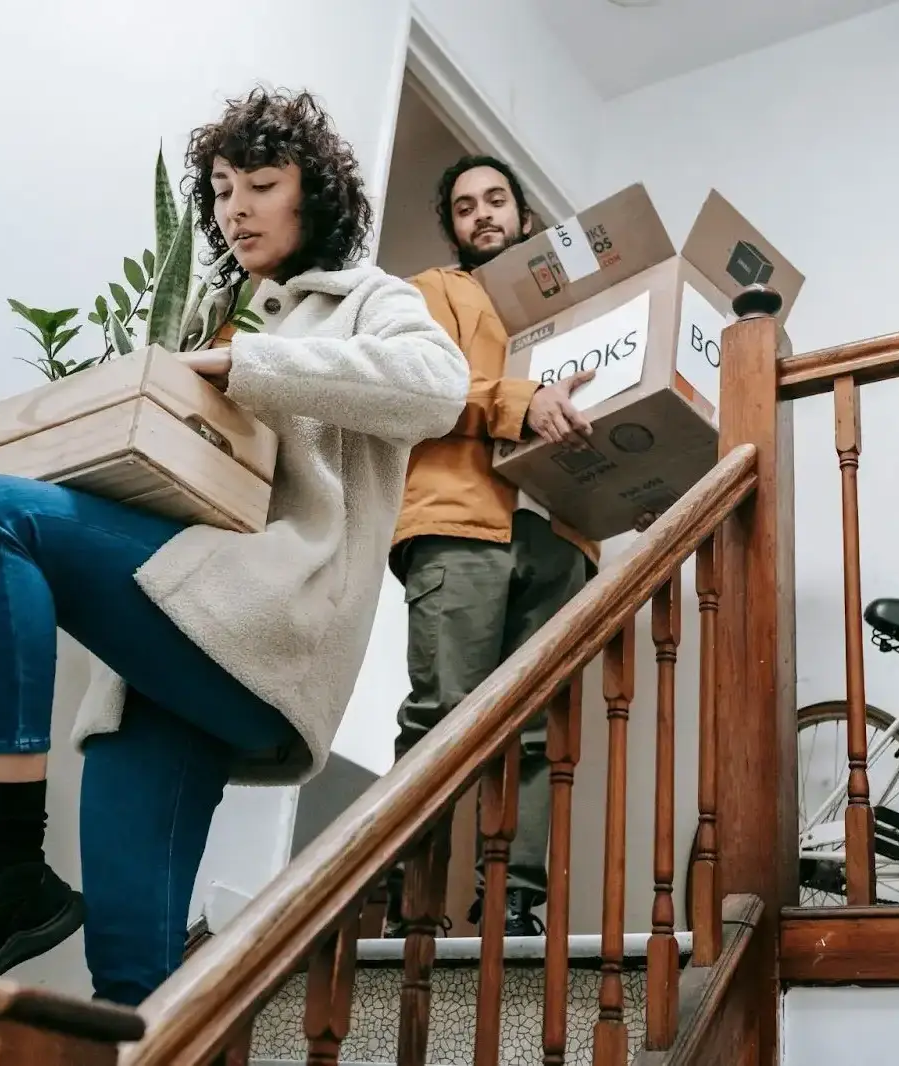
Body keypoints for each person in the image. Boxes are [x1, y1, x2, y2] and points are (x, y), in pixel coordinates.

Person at [0, 88, 469, 1005]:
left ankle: (2, 858)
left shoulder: (366, 299)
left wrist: (247, 364)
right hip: (162, 654)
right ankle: (27, 898)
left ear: (313, 195)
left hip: (262, 626)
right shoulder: (208, 314)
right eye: (223, 189)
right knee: (131, 980)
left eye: (262, 185)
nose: (237, 208)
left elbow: (439, 388)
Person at [386, 155, 599, 937]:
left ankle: (514, 904)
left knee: (536, 731)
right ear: (453, 227)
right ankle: (411, 903)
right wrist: (522, 402)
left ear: (524, 217)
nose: (483, 214)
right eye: (465, 205)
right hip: (458, 522)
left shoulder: (577, 304)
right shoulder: (428, 293)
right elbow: (420, 386)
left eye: (496, 200)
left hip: (560, 530)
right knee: (442, 714)